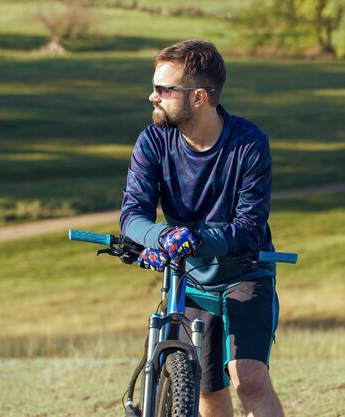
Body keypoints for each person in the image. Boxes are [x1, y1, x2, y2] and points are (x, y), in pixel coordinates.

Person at [119, 39, 283, 417]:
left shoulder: (249, 144)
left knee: (248, 377)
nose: (152, 97)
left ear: (198, 97)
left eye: (164, 89)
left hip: (246, 271)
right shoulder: (153, 141)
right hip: (188, 278)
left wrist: (192, 239)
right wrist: (162, 237)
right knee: (205, 388)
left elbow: (248, 228)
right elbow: (132, 215)